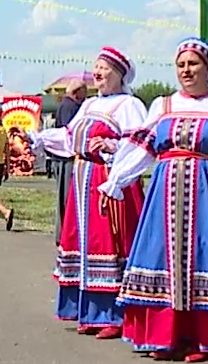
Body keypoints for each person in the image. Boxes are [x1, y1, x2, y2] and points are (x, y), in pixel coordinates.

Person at [100, 37, 208, 362]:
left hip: (207, 195)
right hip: (164, 195)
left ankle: (206, 339)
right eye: (181, 65)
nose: (186, 71)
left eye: (193, 64)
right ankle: (166, 336)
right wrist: (116, 180)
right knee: (161, 255)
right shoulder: (163, 105)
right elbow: (143, 147)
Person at [32, 48, 147, 338]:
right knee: (84, 241)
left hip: (109, 181)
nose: (98, 73)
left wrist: (112, 147)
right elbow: (69, 137)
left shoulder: (129, 105)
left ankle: (114, 315)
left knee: (107, 242)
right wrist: (37, 137)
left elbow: (140, 145)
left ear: (120, 74)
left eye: (104, 68)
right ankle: (88, 311)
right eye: (96, 67)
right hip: (82, 178)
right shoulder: (90, 105)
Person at [48, 79, 88, 241]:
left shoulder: (66, 106)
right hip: (66, 158)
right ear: (77, 92)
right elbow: (69, 132)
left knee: (67, 197)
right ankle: (64, 235)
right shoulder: (69, 107)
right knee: (66, 197)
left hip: (63, 157)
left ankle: (66, 233)